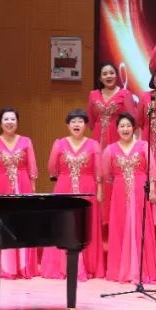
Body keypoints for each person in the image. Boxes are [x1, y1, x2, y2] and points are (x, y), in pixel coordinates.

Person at [43, 110, 103, 280]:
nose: (77, 124)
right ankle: (61, 266)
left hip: (87, 188)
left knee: (85, 225)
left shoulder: (93, 145)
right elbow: (52, 168)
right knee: (63, 223)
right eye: (73, 121)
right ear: (68, 125)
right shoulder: (59, 144)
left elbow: (98, 171)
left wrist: (99, 190)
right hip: (64, 187)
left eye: (80, 121)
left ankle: (87, 266)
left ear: (85, 125)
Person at [0, 107, 39, 279]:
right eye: (6, 119)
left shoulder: (26, 142)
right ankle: (4, 268)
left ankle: (23, 267)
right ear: (0, 123)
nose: (9, 122)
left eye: (13, 119)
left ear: (17, 122)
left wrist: (32, 189)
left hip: (23, 186)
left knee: (22, 223)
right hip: (0, 187)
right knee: (2, 224)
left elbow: (32, 168)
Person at [103, 113, 156, 284]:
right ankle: (122, 270)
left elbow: (152, 170)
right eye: (122, 126)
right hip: (119, 193)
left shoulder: (143, 146)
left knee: (140, 226)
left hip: (140, 191)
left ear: (133, 128)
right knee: (120, 226)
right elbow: (107, 175)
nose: (125, 129)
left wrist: (152, 189)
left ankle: (142, 270)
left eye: (128, 125)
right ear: (117, 129)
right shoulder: (110, 150)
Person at [89, 62, 138, 148]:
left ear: (116, 76)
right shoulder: (93, 95)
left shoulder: (125, 94)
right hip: (98, 136)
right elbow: (90, 120)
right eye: (105, 74)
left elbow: (133, 119)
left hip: (118, 137)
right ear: (100, 78)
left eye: (112, 73)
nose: (108, 76)